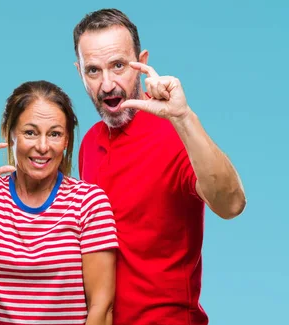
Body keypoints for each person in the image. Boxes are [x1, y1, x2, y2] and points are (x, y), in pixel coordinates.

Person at [71, 8, 247, 325]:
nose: (107, 83)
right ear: (79, 72)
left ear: (142, 61)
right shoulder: (88, 144)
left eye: (119, 66)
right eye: (93, 71)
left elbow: (232, 204)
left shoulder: (176, 135)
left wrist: (183, 118)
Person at [0, 80, 119, 325]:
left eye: (55, 134)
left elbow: (101, 306)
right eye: (30, 132)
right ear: (10, 134)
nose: (42, 146)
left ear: (67, 141)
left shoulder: (89, 203)